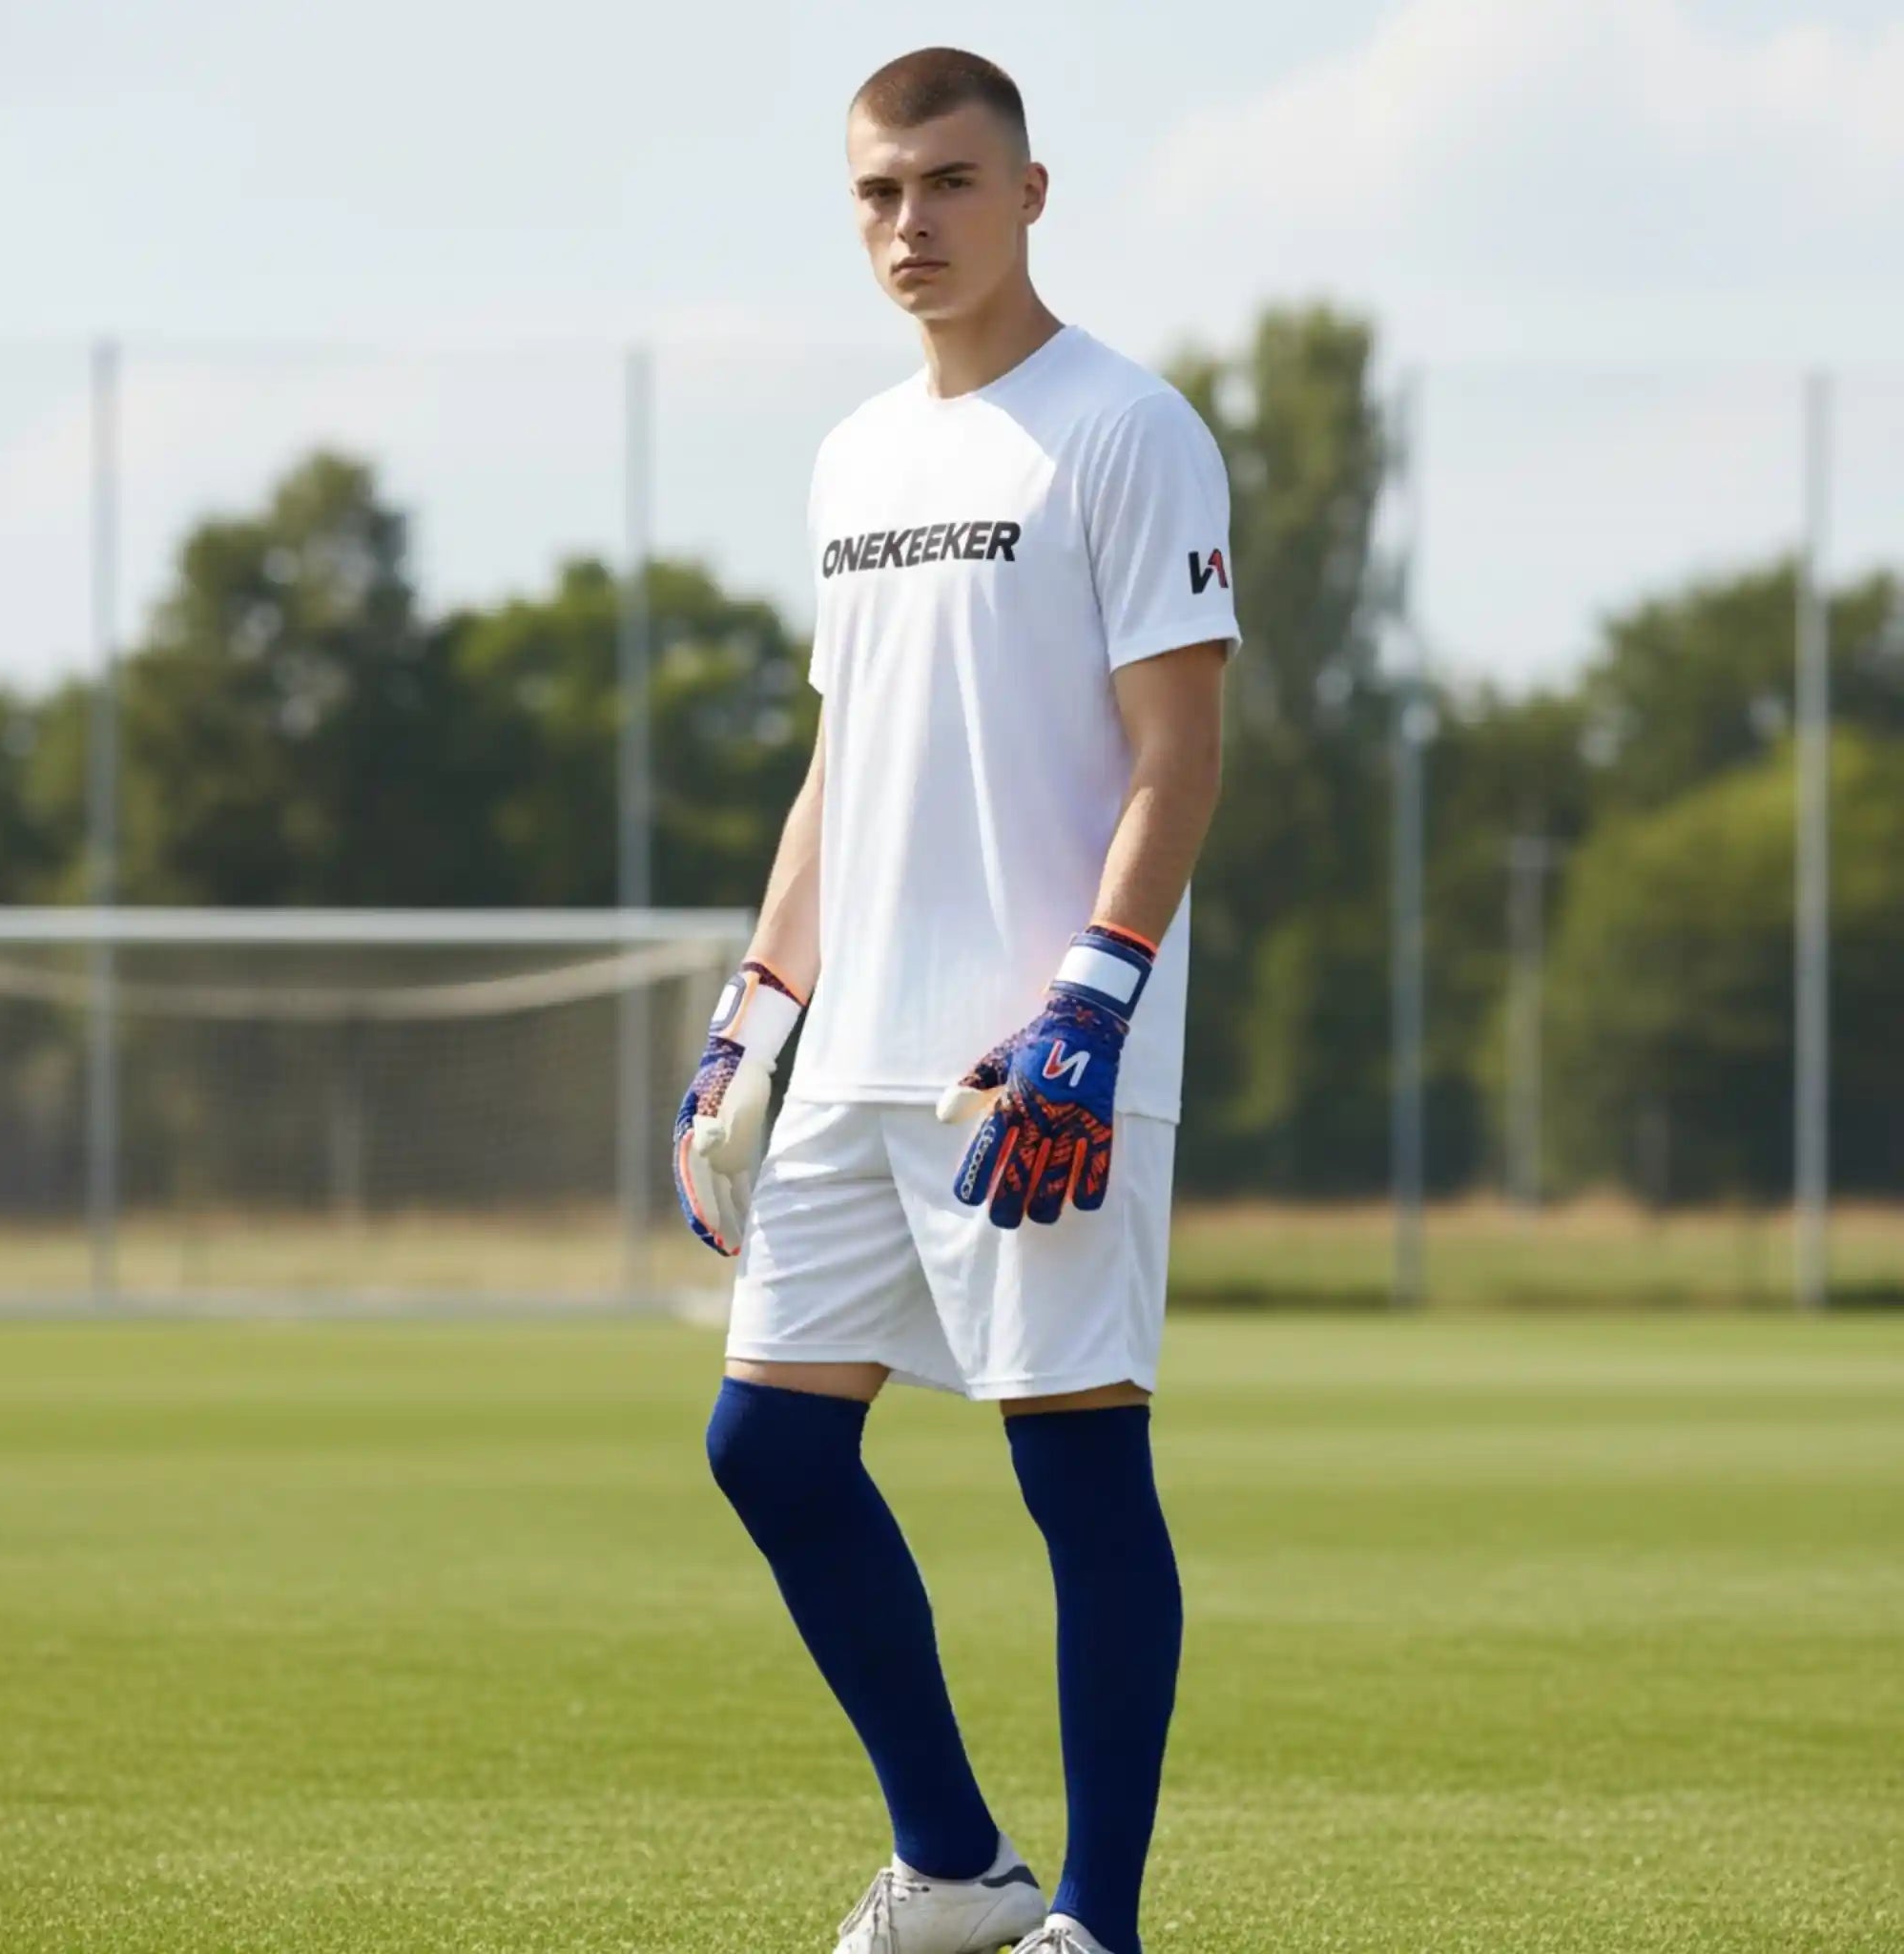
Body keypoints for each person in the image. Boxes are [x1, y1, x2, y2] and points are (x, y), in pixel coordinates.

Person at [672, 45, 1237, 1954]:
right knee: (766, 1447)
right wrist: (757, 1012)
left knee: (1073, 1465)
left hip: (1040, 1059)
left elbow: (1180, 753)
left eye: (948, 183)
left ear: (1030, 193)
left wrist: (1092, 1003)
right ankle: (956, 1866)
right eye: (878, 191)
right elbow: (846, 771)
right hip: (861, 1058)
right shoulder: (853, 457)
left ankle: (1096, 1918)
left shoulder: (1126, 426)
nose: (910, 222)